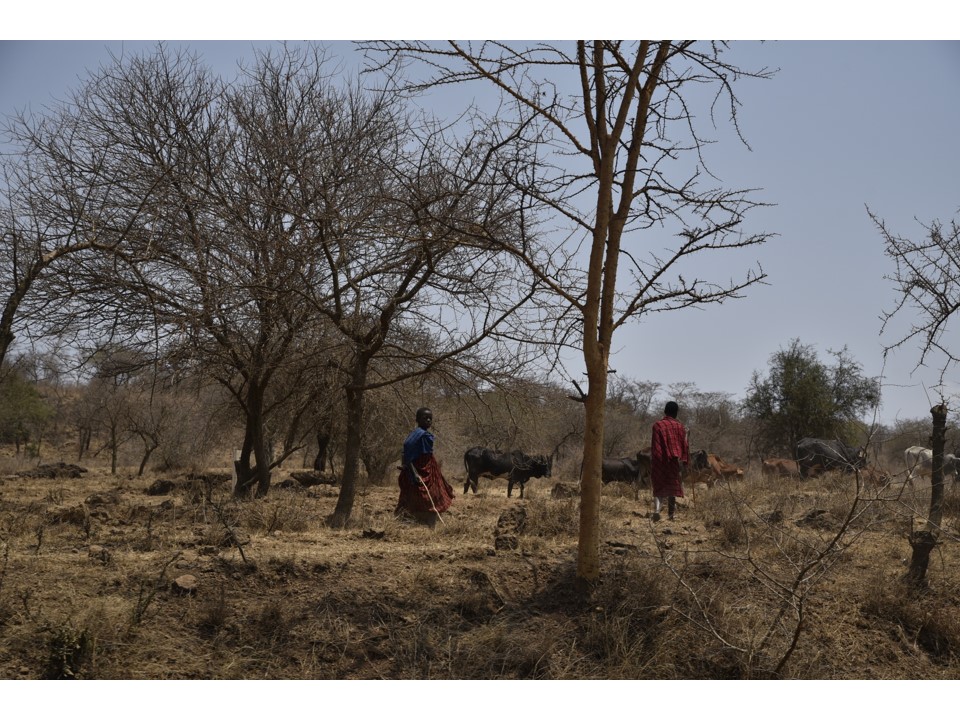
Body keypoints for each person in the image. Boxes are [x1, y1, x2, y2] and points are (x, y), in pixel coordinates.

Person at [396, 407, 454, 527]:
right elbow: (407, 456)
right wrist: (415, 473)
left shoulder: (423, 435)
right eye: (425, 418)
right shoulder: (417, 436)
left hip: (429, 468)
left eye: (430, 418)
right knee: (425, 495)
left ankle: (430, 523)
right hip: (418, 469)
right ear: (417, 419)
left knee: (437, 493)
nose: (428, 420)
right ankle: (417, 522)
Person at [650, 400, 689, 521]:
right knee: (672, 485)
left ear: (665, 411)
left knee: (658, 485)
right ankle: (671, 515)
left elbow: (655, 445)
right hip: (674, 460)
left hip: (659, 459)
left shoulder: (657, 425)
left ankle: (657, 510)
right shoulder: (680, 427)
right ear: (676, 413)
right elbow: (684, 444)